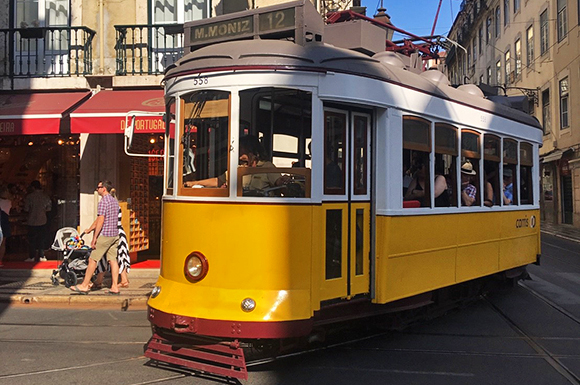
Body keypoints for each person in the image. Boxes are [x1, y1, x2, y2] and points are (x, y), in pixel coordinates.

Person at [70, 181, 121, 295]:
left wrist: (94, 238)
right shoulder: (114, 201)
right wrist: (90, 228)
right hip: (114, 234)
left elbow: (101, 220)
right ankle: (114, 286)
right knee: (113, 260)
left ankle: (84, 285)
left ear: (104, 189)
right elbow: (100, 219)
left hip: (105, 235)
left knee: (93, 259)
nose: (97, 189)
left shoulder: (103, 202)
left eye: (98, 187)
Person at [185, 135, 285, 193]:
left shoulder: (267, 167)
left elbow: (280, 184)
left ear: (250, 149)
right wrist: (195, 183)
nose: (238, 151)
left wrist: (284, 180)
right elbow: (218, 181)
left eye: (241, 148)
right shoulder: (237, 169)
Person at [92, 203, 130, 290]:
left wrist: (90, 230)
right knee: (119, 256)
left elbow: (99, 221)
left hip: (110, 233)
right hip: (120, 232)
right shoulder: (117, 206)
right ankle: (123, 280)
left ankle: (99, 280)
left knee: (104, 257)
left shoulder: (107, 207)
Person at [24, 180, 52, 262]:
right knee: (41, 239)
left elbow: (26, 208)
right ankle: (42, 255)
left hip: (32, 220)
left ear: (33, 187)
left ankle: (32, 256)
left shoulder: (29, 197)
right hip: (43, 220)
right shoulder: (45, 196)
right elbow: (49, 208)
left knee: (32, 239)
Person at [0, 184, 11, 268]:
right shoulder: (9, 202)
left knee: (3, 242)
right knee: (3, 242)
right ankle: (0, 260)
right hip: (4, 222)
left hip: (3, 221)